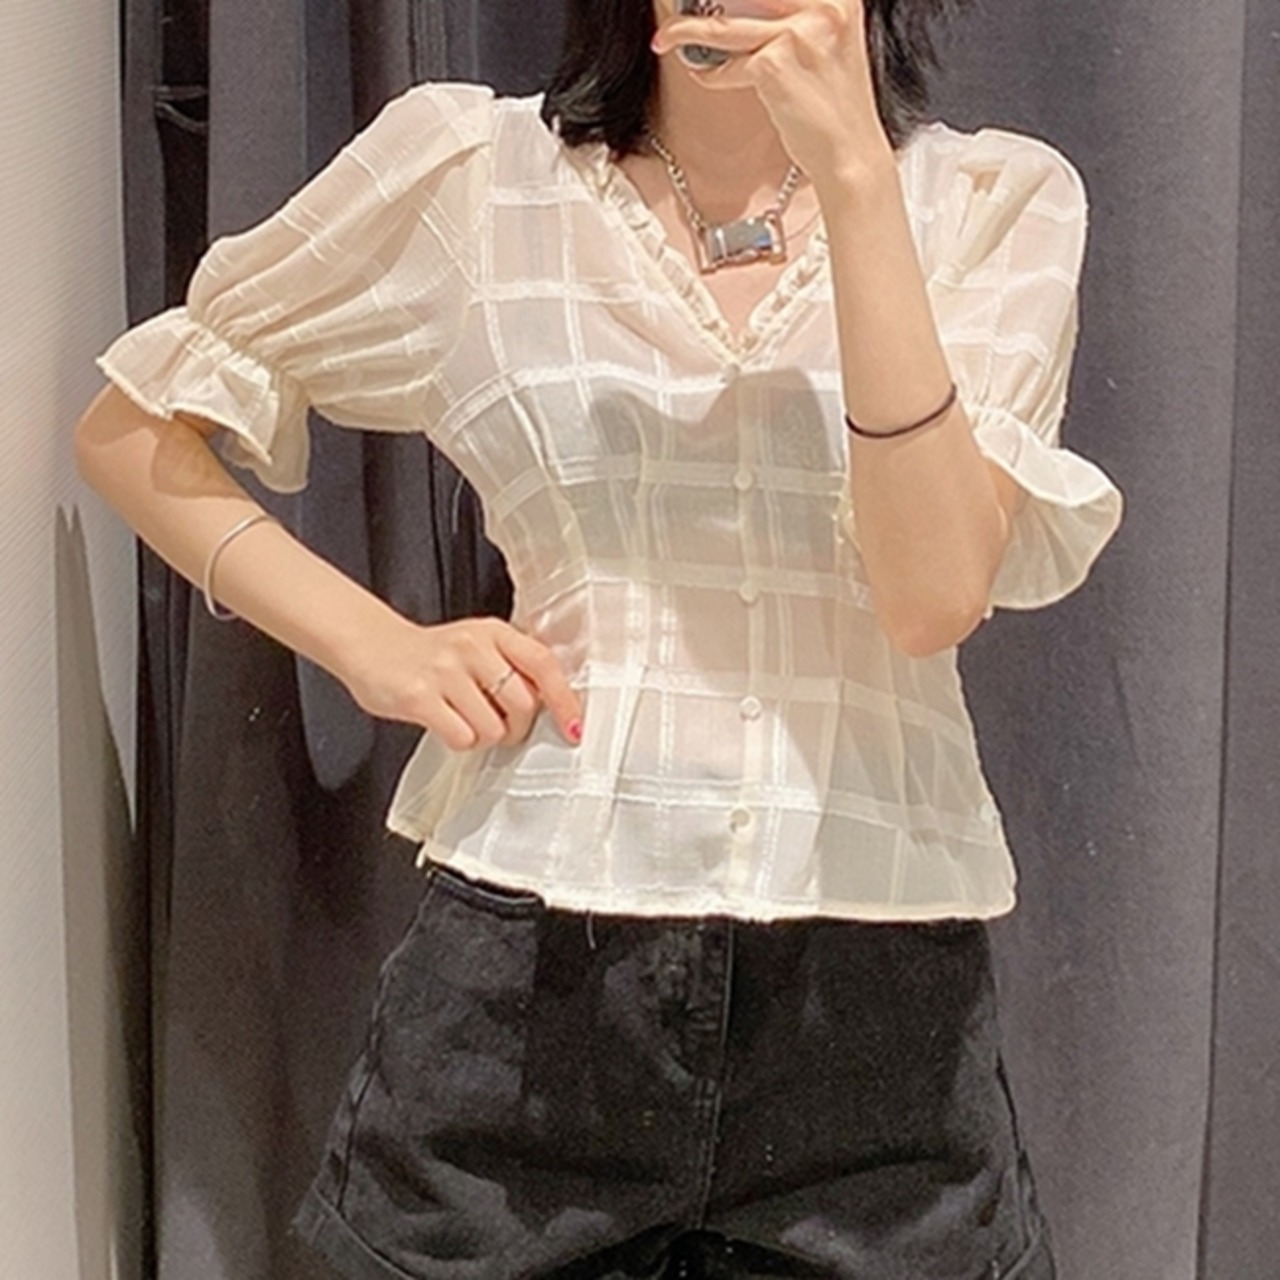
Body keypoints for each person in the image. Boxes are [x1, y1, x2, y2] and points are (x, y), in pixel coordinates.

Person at [76, 0, 1125, 1275]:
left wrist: (856, 182)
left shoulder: (991, 204)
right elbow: (132, 427)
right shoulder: (474, 178)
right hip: (529, 977)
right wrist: (373, 646)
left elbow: (929, 594)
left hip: (871, 1009)